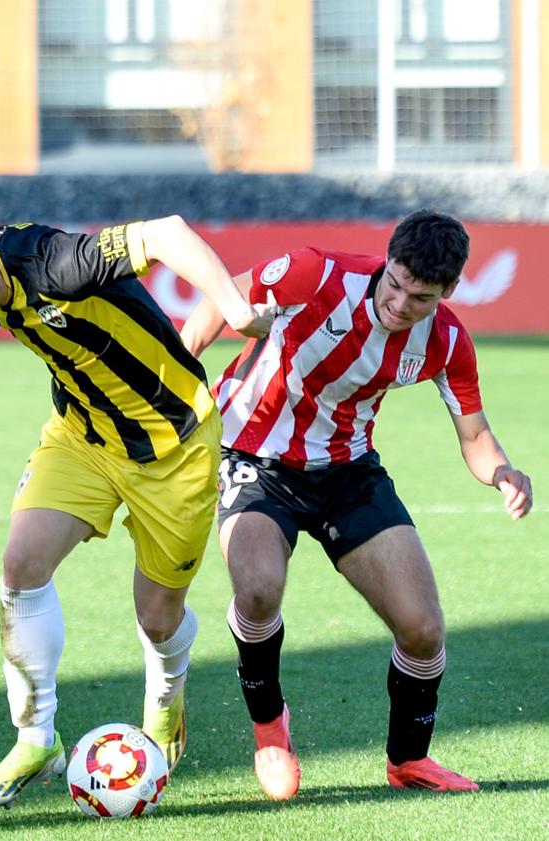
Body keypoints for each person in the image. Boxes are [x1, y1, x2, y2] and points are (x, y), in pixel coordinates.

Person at [0, 216, 276, 810]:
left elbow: (169, 233)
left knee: (157, 617)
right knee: (21, 566)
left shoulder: (56, 263)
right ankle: (35, 739)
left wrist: (235, 307)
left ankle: (166, 701)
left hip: (173, 446)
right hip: (83, 437)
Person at [180, 208, 533, 800]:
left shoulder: (447, 340)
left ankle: (409, 761)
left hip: (348, 472)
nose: (399, 305)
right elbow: (224, 298)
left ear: (447, 292)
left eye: (419, 298)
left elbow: (475, 436)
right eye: (394, 284)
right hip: (251, 455)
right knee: (259, 589)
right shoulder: (316, 273)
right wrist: (179, 383)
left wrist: (502, 472)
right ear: (386, 261)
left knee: (422, 630)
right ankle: (271, 731)